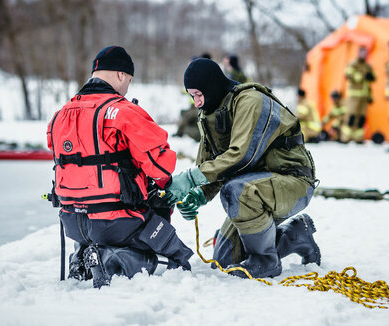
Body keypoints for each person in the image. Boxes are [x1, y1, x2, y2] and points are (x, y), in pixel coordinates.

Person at [46, 46, 193, 287]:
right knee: (179, 256)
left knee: (98, 219)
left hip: (72, 221)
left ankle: (83, 255)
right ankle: (112, 259)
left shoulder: (59, 115)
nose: (127, 87)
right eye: (129, 80)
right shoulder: (125, 112)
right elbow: (161, 166)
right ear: (120, 75)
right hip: (117, 222)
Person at [164, 58, 320, 279]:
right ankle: (295, 235)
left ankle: (265, 262)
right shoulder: (212, 112)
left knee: (235, 191)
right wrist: (200, 193)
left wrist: (190, 179)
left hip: (293, 182)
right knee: (224, 261)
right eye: (192, 96)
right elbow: (215, 164)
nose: (197, 103)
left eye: (199, 95)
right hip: (255, 186)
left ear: (212, 86)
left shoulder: (250, 101)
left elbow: (241, 157)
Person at [341, 46, 376, 143]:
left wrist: (369, 96)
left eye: (365, 53)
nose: (364, 55)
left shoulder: (367, 66)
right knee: (351, 116)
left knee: (361, 118)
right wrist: (362, 76)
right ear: (359, 53)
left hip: (364, 97)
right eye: (362, 53)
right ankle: (346, 138)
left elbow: (372, 80)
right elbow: (348, 74)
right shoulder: (353, 64)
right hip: (354, 96)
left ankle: (358, 138)